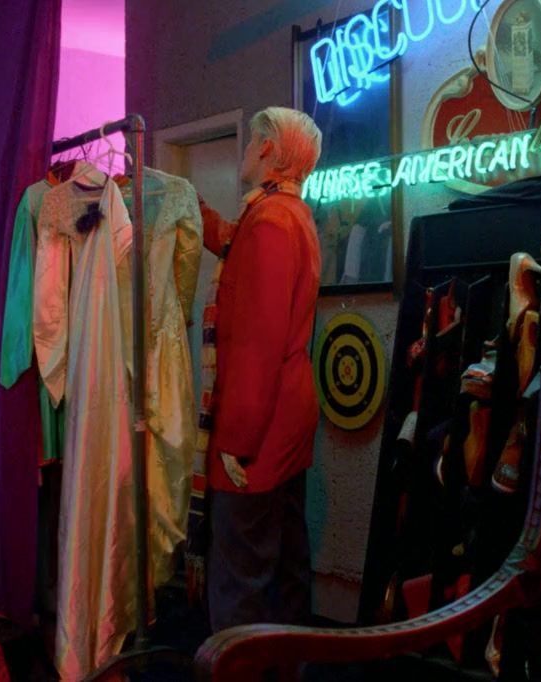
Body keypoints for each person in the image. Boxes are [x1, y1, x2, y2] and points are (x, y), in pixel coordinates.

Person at [196, 106, 323, 633]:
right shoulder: (286, 214)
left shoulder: (270, 221)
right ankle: (285, 666)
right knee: (284, 567)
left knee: (240, 579)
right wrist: (191, 207)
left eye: (252, 141)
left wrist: (236, 442)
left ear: (268, 148)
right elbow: (234, 242)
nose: (246, 151)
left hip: (258, 433)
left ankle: (238, 666)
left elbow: (258, 343)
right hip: (285, 422)